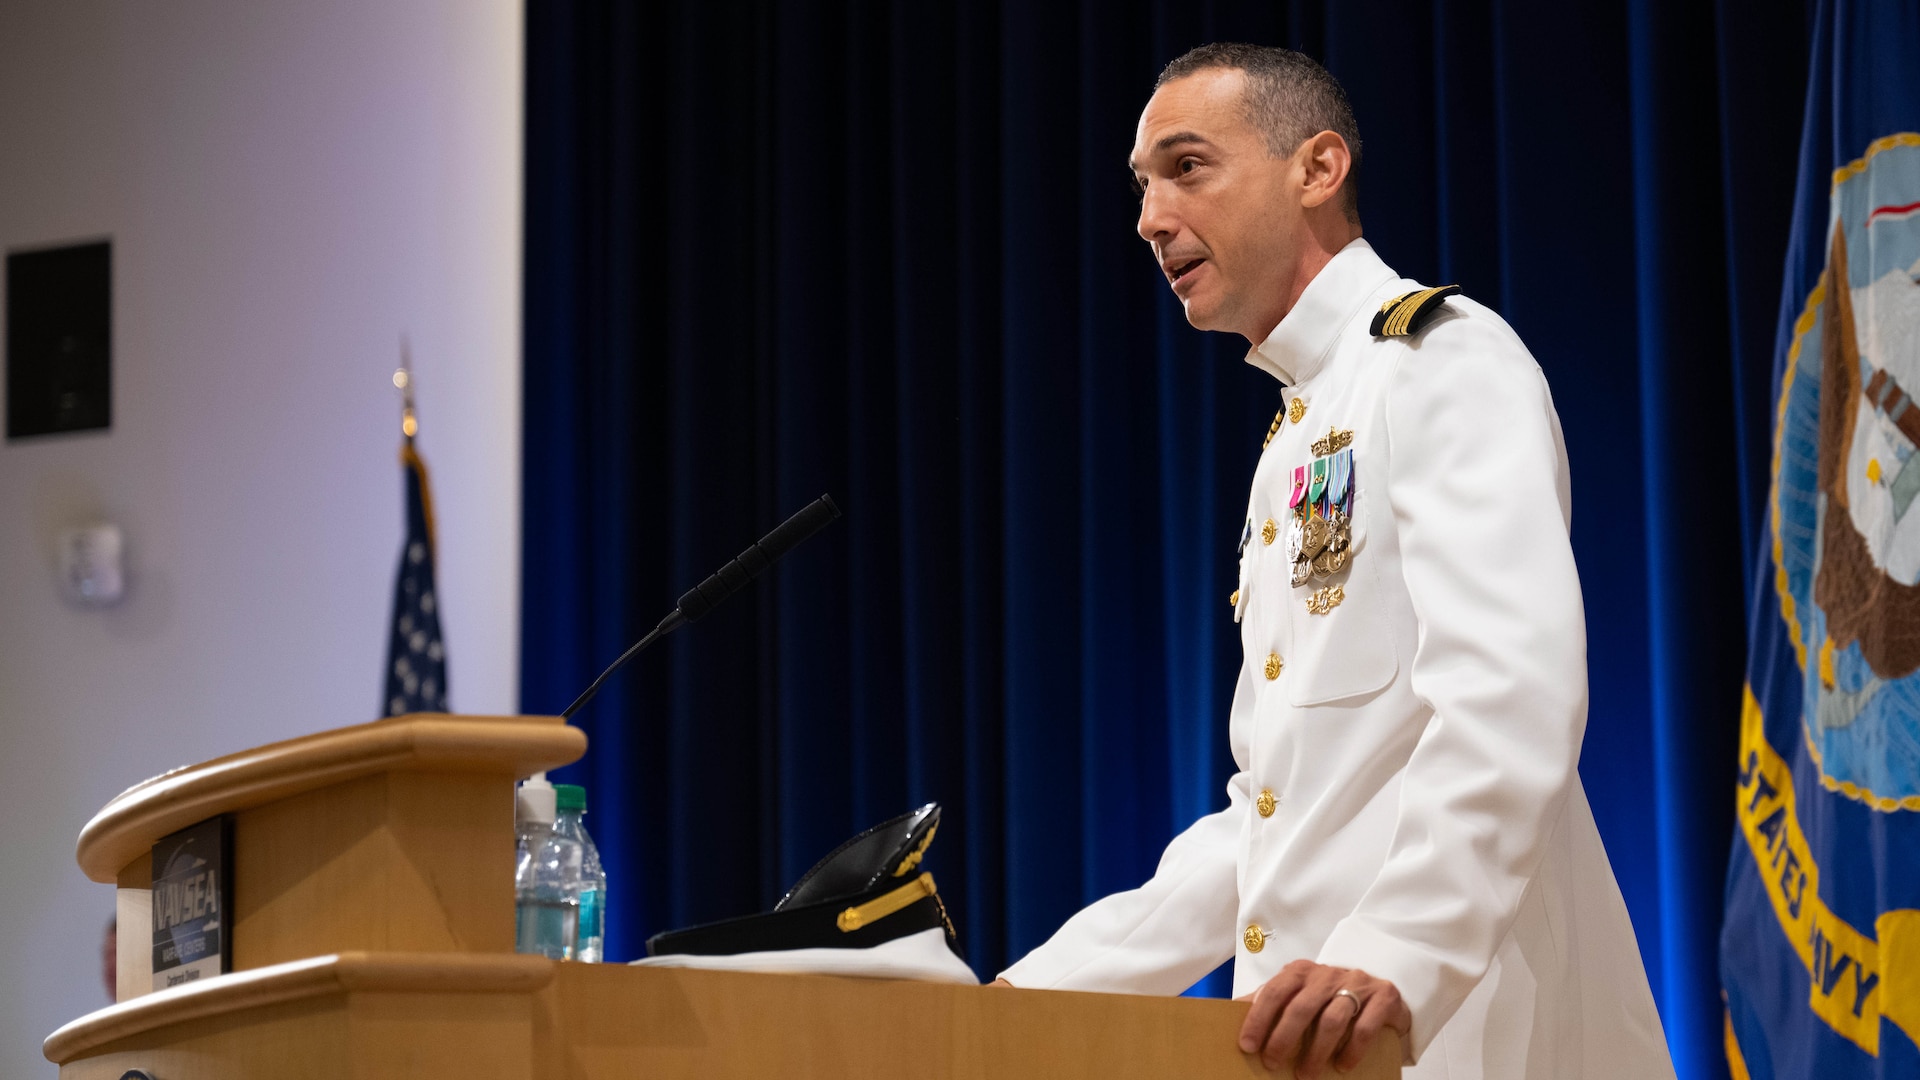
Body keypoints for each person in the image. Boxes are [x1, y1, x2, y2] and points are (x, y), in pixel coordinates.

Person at [992, 44, 1675, 1080]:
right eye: (1142, 186)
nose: (1149, 218)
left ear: (1317, 169)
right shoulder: (1298, 436)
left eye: (1186, 167)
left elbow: (1511, 698)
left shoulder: (1440, 361)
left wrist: (1393, 954)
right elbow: (1269, 820)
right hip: (1310, 1041)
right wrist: (1023, 1000)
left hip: (1455, 1032)